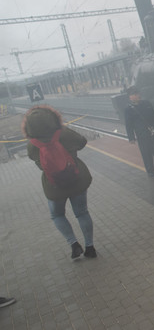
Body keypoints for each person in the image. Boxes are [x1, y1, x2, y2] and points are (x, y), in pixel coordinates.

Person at [23, 105, 96, 259]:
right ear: (52, 118)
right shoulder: (63, 133)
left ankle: (74, 244)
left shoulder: (32, 144)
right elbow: (82, 142)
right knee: (82, 212)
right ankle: (90, 247)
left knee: (57, 215)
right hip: (76, 178)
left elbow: (33, 158)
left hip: (53, 185)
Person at [123, 86, 154, 177]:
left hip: (153, 131)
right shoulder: (128, 109)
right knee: (146, 153)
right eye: (135, 94)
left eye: (138, 93)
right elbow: (128, 124)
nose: (138, 95)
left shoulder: (146, 103)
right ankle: (150, 171)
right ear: (130, 97)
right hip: (142, 134)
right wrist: (131, 137)